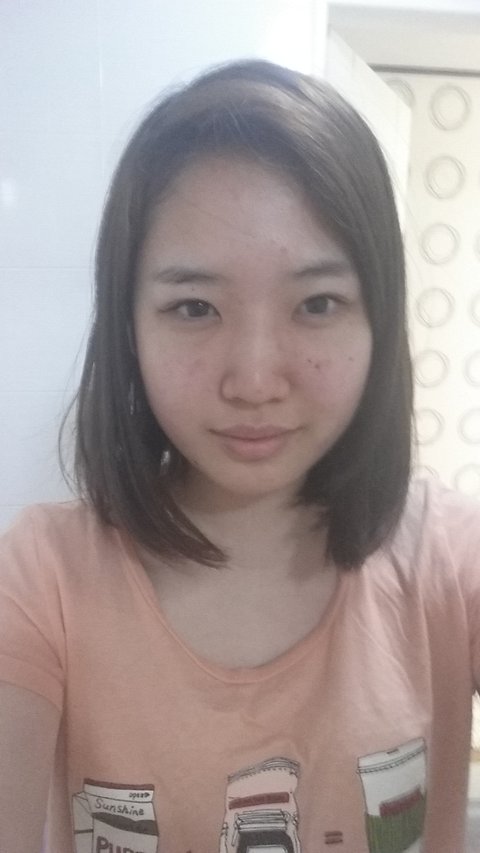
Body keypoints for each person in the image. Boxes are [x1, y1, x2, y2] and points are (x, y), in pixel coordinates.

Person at [0, 59, 479, 853]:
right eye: (195, 306)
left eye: (317, 303)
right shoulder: (42, 577)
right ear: (129, 327)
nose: (255, 380)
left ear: (379, 318)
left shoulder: (451, 560)